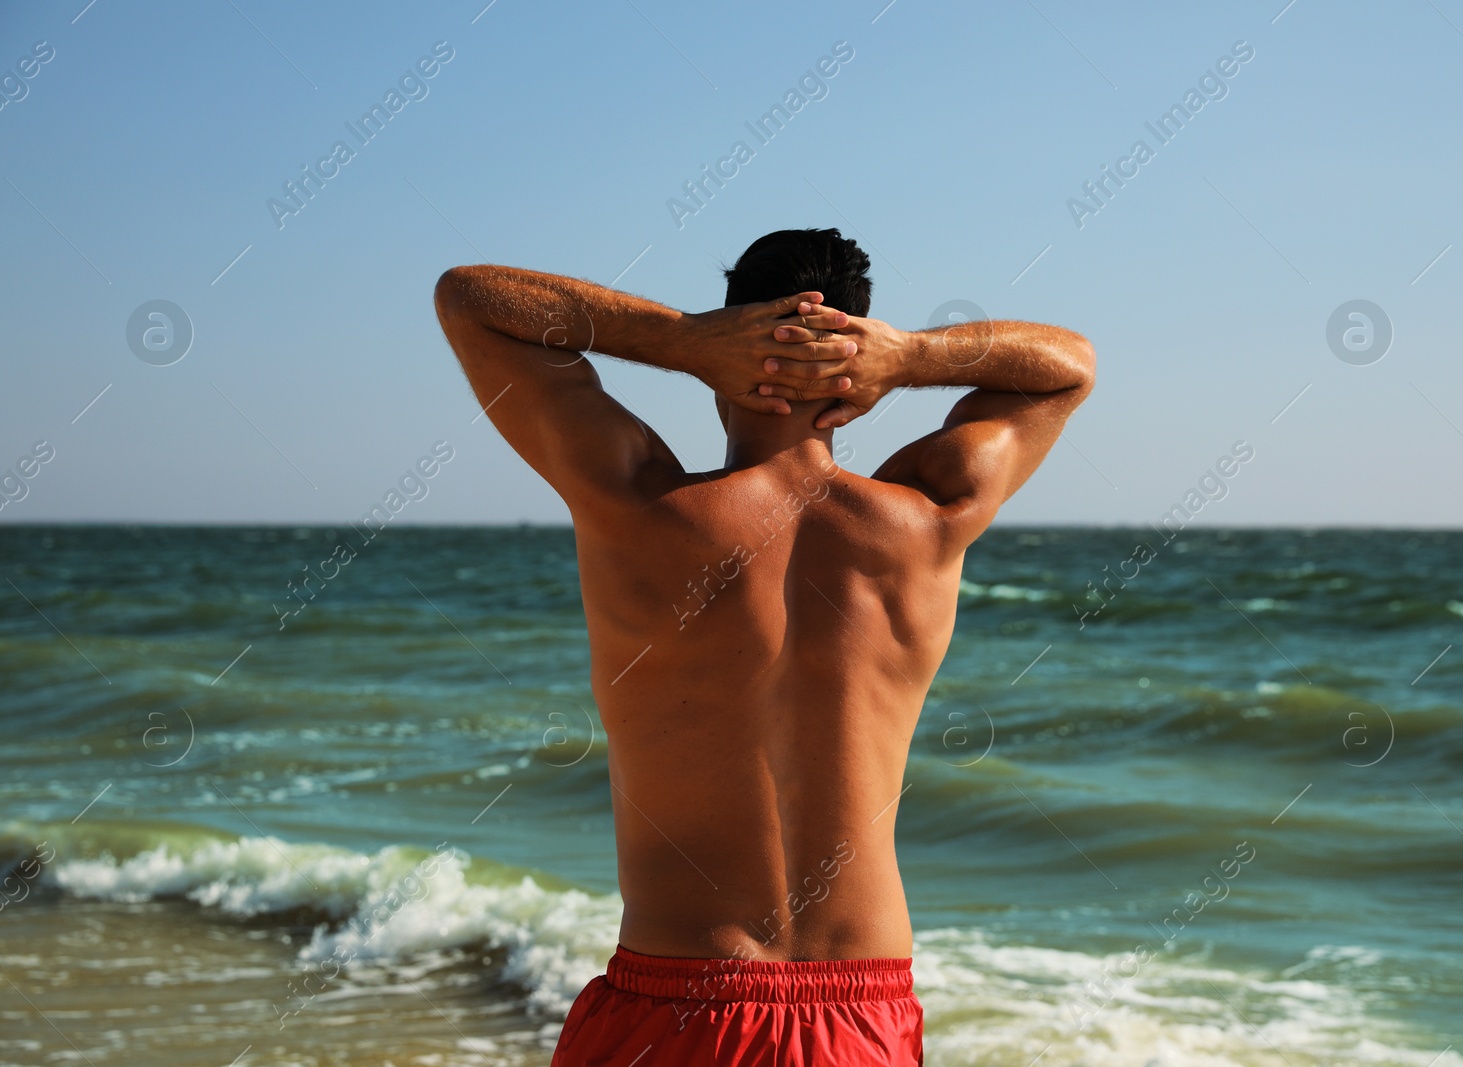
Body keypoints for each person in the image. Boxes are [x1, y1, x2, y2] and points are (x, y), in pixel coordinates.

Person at [433, 228, 1095, 1066]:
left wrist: (677, 341)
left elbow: (471, 298)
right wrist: (912, 357)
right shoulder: (928, 516)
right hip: (861, 1015)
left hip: (672, 1006)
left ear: (726, 339)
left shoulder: (636, 507)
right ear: (860, 367)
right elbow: (1070, 364)